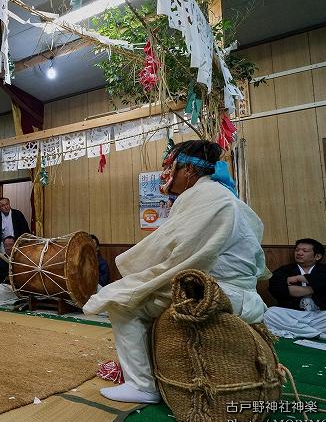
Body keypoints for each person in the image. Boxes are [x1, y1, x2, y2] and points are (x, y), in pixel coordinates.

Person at [83, 140, 268, 404]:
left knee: (122, 303)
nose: (167, 176)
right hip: (243, 294)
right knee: (131, 291)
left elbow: (173, 253)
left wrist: (130, 270)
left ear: (189, 171)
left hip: (215, 291)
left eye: (172, 168)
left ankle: (141, 385)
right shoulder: (227, 196)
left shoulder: (203, 197)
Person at [264, 238, 326, 344]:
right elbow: (278, 288)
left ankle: (303, 332)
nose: (299, 253)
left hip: (321, 316)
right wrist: (316, 288)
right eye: (297, 250)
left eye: (305, 251)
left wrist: (298, 278)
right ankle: (322, 335)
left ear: (317, 256)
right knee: (270, 314)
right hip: (295, 315)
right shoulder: (285, 270)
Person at [0, 197, 30, 286]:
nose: (6, 207)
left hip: (17, 245)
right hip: (3, 246)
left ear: (9, 204)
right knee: (1, 268)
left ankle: (18, 290)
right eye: (2, 206)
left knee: (18, 268)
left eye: (7, 204)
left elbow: (25, 231)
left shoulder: (17, 214)